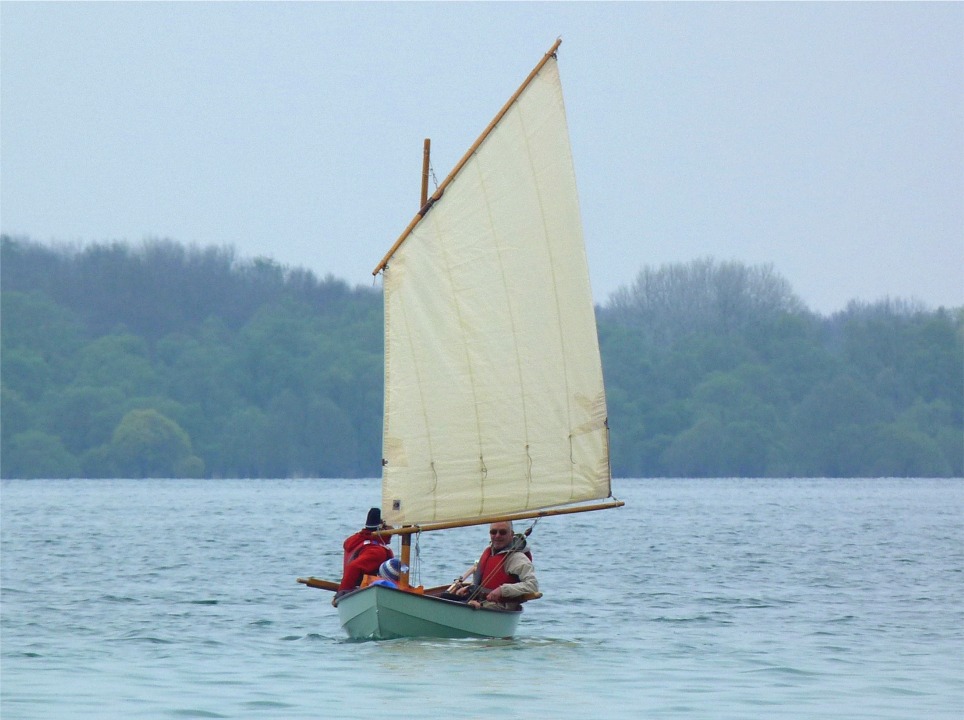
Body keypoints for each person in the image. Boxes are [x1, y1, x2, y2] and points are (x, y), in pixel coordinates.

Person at [453, 520, 538, 610]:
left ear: (511, 534)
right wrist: (468, 588)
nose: (497, 536)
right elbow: (482, 582)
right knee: (446, 596)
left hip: (498, 607)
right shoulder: (490, 553)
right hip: (479, 601)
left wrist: (502, 590)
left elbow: (532, 586)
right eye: (493, 532)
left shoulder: (517, 558)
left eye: (502, 532)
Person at [336, 507, 393, 597]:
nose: (393, 530)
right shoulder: (377, 551)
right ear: (382, 527)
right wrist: (343, 591)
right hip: (365, 594)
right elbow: (353, 567)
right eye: (391, 526)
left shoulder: (356, 540)